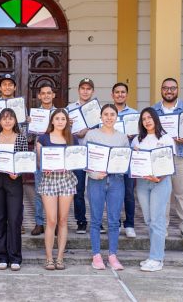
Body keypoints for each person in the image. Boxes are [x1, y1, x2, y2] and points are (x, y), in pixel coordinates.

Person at [153, 78, 183, 242]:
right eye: (165, 88)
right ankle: (163, 226)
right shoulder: (154, 110)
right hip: (161, 158)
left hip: (182, 156)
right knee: (163, 193)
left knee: (182, 193)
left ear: (177, 90)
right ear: (161, 90)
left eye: (172, 88)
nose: (169, 91)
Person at [84, 104, 129, 271]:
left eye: (112, 114)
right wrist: (94, 174)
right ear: (100, 117)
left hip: (116, 181)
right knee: (95, 219)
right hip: (97, 181)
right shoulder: (92, 134)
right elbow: (85, 159)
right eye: (106, 114)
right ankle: (96, 255)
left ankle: (112, 255)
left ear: (116, 117)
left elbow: (125, 160)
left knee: (114, 220)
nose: (109, 117)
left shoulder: (123, 137)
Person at [132, 107, 176, 272]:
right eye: (144, 119)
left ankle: (157, 258)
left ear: (156, 119)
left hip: (161, 182)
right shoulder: (137, 140)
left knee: (157, 220)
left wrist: (160, 178)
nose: (147, 121)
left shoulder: (166, 139)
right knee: (149, 220)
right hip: (143, 183)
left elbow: (169, 163)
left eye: (150, 117)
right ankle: (154, 254)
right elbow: (134, 162)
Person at [0, 108, 28, 271]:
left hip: (14, 180)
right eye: (4, 118)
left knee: (15, 218)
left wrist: (18, 172)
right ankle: (2, 256)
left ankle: (15, 257)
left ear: (15, 121)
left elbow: (25, 160)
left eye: (10, 118)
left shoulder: (21, 139)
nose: (7, 121)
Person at [36, 109, 77, 270]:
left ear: (67, 122)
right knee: (51, 220)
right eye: (57, 118)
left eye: (63, 119)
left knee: (63, 220)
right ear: (52, 121)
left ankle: (60, 257)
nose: (60, 121)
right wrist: (44, 166)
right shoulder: (43, 139)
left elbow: (77, 160)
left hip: (66, 180)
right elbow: (39, 162)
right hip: (49, 181)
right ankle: (48, 258)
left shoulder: (71, 139)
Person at [67, 78, 102, 234]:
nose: (85, 91)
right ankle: (81, 221)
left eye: (89, 88)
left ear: (92, 91)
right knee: (78, 188)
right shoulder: (69, 108)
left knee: (96, 190)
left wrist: (87, 131)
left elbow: (103, 129)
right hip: (77, 153)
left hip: (94, 153)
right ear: (78, 90)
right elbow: (63, 129)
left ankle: (98, 221)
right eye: (83, 88)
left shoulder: (98, 109)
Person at [112, 82, 138, 238]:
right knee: (112, 193)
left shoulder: (135, 114)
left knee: (129, 192)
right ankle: (115, 223)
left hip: (129, 160)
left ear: (126, 95)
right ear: (112, 95)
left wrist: (133, 136)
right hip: (112, 160)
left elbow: (142, 134)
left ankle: (129, 224)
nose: (120, 94)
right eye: (117, 92)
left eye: (123, 92)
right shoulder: (107, 113)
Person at [31, 84, 56, 236]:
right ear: (39, 96)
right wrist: (28, 124)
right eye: (43, 93)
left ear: (53, 95)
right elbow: (28, 137)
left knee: (57, 192)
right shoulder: (34, 114)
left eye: (49, 93)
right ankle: (39, 223)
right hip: (39, 156)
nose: (46, 95)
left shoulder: (61, 113)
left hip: (57, 156)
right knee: (40, 190)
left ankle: (56, 224)